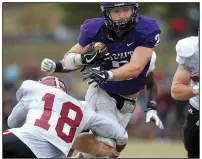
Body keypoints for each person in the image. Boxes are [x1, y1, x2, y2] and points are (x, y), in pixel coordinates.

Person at [41, 2, 163, 157]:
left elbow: (136, 68)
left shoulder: (146, 31)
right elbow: (71, 57)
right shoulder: (95, 29)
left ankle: (65, 139)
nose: (122, 15)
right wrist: (63, 64)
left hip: (128, 103)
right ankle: (55, 136)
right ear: (107, 13)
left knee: (95, 154)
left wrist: (151, 106)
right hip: (104, 92)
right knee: (106, 146)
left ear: (134, 10)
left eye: (126, 10)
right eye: (117, 11)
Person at [3, 76, 128, 158]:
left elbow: (12, 122)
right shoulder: (83, 108)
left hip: (22, 139)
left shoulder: (37, 90)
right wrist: (115, 154)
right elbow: (122, 136)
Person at [171, 35, 199, 158]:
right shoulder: (191, 51)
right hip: (198, 109)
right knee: (193, 150)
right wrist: (198, 88)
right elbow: (176, 91)